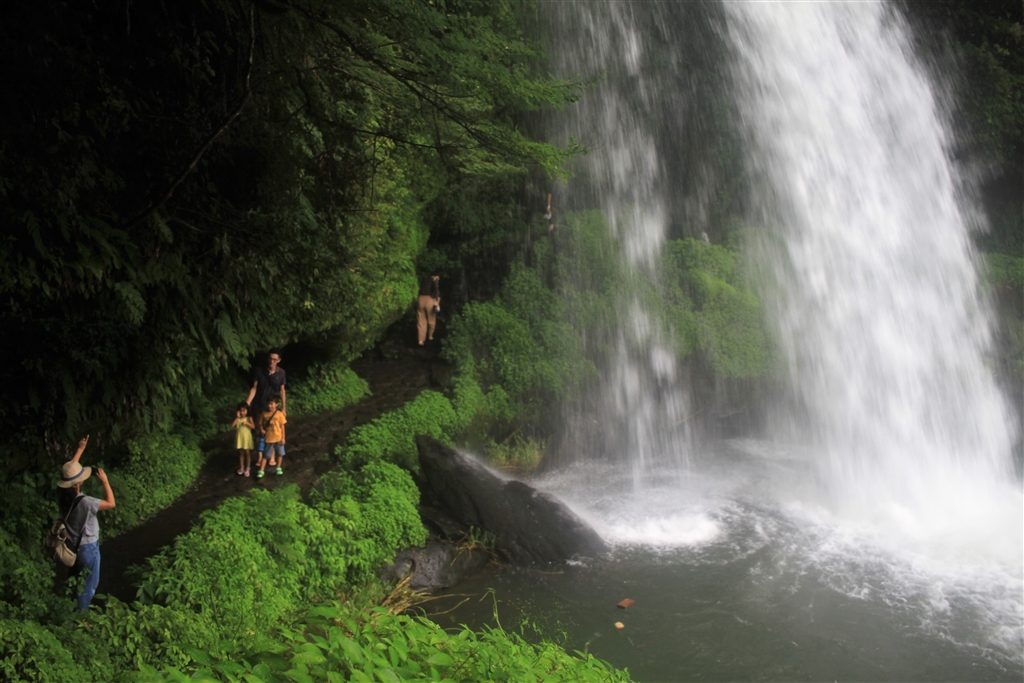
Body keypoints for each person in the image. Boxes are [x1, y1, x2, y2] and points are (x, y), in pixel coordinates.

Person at [56, 435, 116, 612]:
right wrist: (105, 481)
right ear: (78, 483)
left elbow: (69, 472)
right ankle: (81, 618)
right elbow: (111, 503)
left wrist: (80, 450)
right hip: (88, 548)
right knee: (88, 586)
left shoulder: (62, 495)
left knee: (75, 580)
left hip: (73, 545)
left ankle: (69, 610)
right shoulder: (86, 502)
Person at [246, 350, 286, 416]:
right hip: (258, 405)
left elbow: (282, 391)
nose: (271, 361)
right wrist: (247, 402)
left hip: (271, 407)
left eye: (274, 359)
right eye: (270, 359)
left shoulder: (281, 373)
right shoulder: (259, 371)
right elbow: (254, 388)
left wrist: (283, 408)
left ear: (279, 360)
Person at [256, 395, 287, 478]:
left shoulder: (280, 414)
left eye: (271, 404)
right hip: (269, 438)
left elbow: (282, 426)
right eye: (268, 404)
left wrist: (283, 438)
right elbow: (260, 424)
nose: (269, 406)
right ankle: (261, 470)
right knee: (266, 455)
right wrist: (262, 429)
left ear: (276, 404)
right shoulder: (264, 413)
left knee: (280, 453)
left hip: (278, 437)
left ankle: (278, 467)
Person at [416, 275, 440, 346]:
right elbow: (436, 292)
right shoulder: (435, 281)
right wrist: (437, 302)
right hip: (430, 300)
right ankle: (430, 336)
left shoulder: (424, 280)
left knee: (421, 320)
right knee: (431, 320)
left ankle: (420, 340)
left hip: (421, 299)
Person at [232, 402, 255, 476]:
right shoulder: (238, 419)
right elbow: (232, 425)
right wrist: (237, 417)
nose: (242, 413)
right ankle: (241, 467)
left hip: (246, 438)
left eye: (244, 411)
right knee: (241, 453)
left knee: (247, 453)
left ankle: (248, 467)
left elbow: (253, 426)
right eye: (241, 411)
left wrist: (247, 423)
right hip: (240, 438)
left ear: (247, 410)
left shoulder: (249, 418)